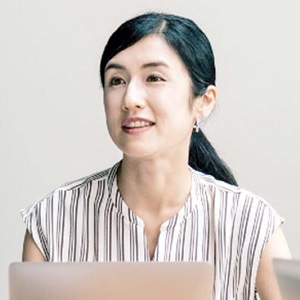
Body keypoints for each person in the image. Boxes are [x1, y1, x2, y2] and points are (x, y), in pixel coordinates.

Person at [21, 12, 291, 299]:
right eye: (116, 80)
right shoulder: (53, 220)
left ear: (204, 102)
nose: (130, 99)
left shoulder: (253, 224)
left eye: (154, 77)